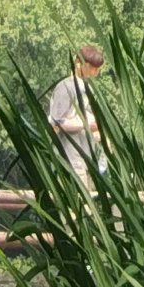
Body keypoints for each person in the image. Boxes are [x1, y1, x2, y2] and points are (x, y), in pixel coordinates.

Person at [46, 44, 104, 191]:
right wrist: (86, 124)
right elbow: (58, 122)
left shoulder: (87, 87)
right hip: (71, 158)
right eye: (92, 67)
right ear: (78, 63)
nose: (95, 72)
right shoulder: (65, 87)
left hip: (89, 158)